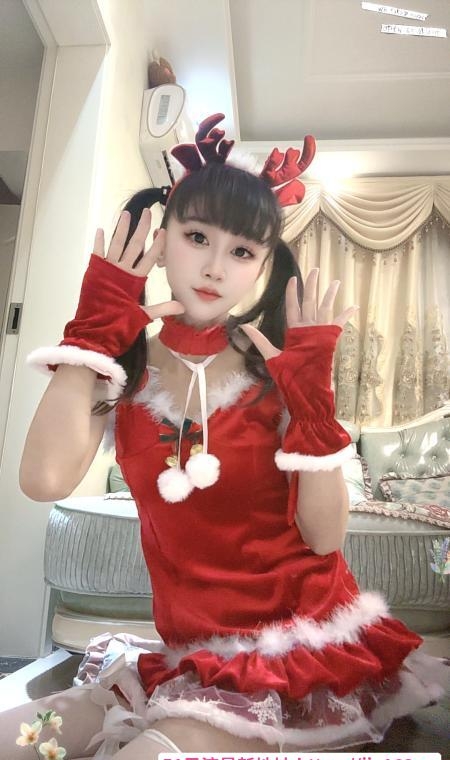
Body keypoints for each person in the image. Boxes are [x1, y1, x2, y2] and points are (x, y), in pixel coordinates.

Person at [3, 116, 448, 759]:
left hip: (298, 657)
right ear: (163, 241)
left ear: (262, 267)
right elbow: (43, 480)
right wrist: (93, 338)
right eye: (197, 237)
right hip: (190, 658)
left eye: (241, 252)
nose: (214, 267)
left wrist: (313, 408)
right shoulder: (121, 367)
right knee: (17, 737)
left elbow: (325, 537)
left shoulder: (277, 370)